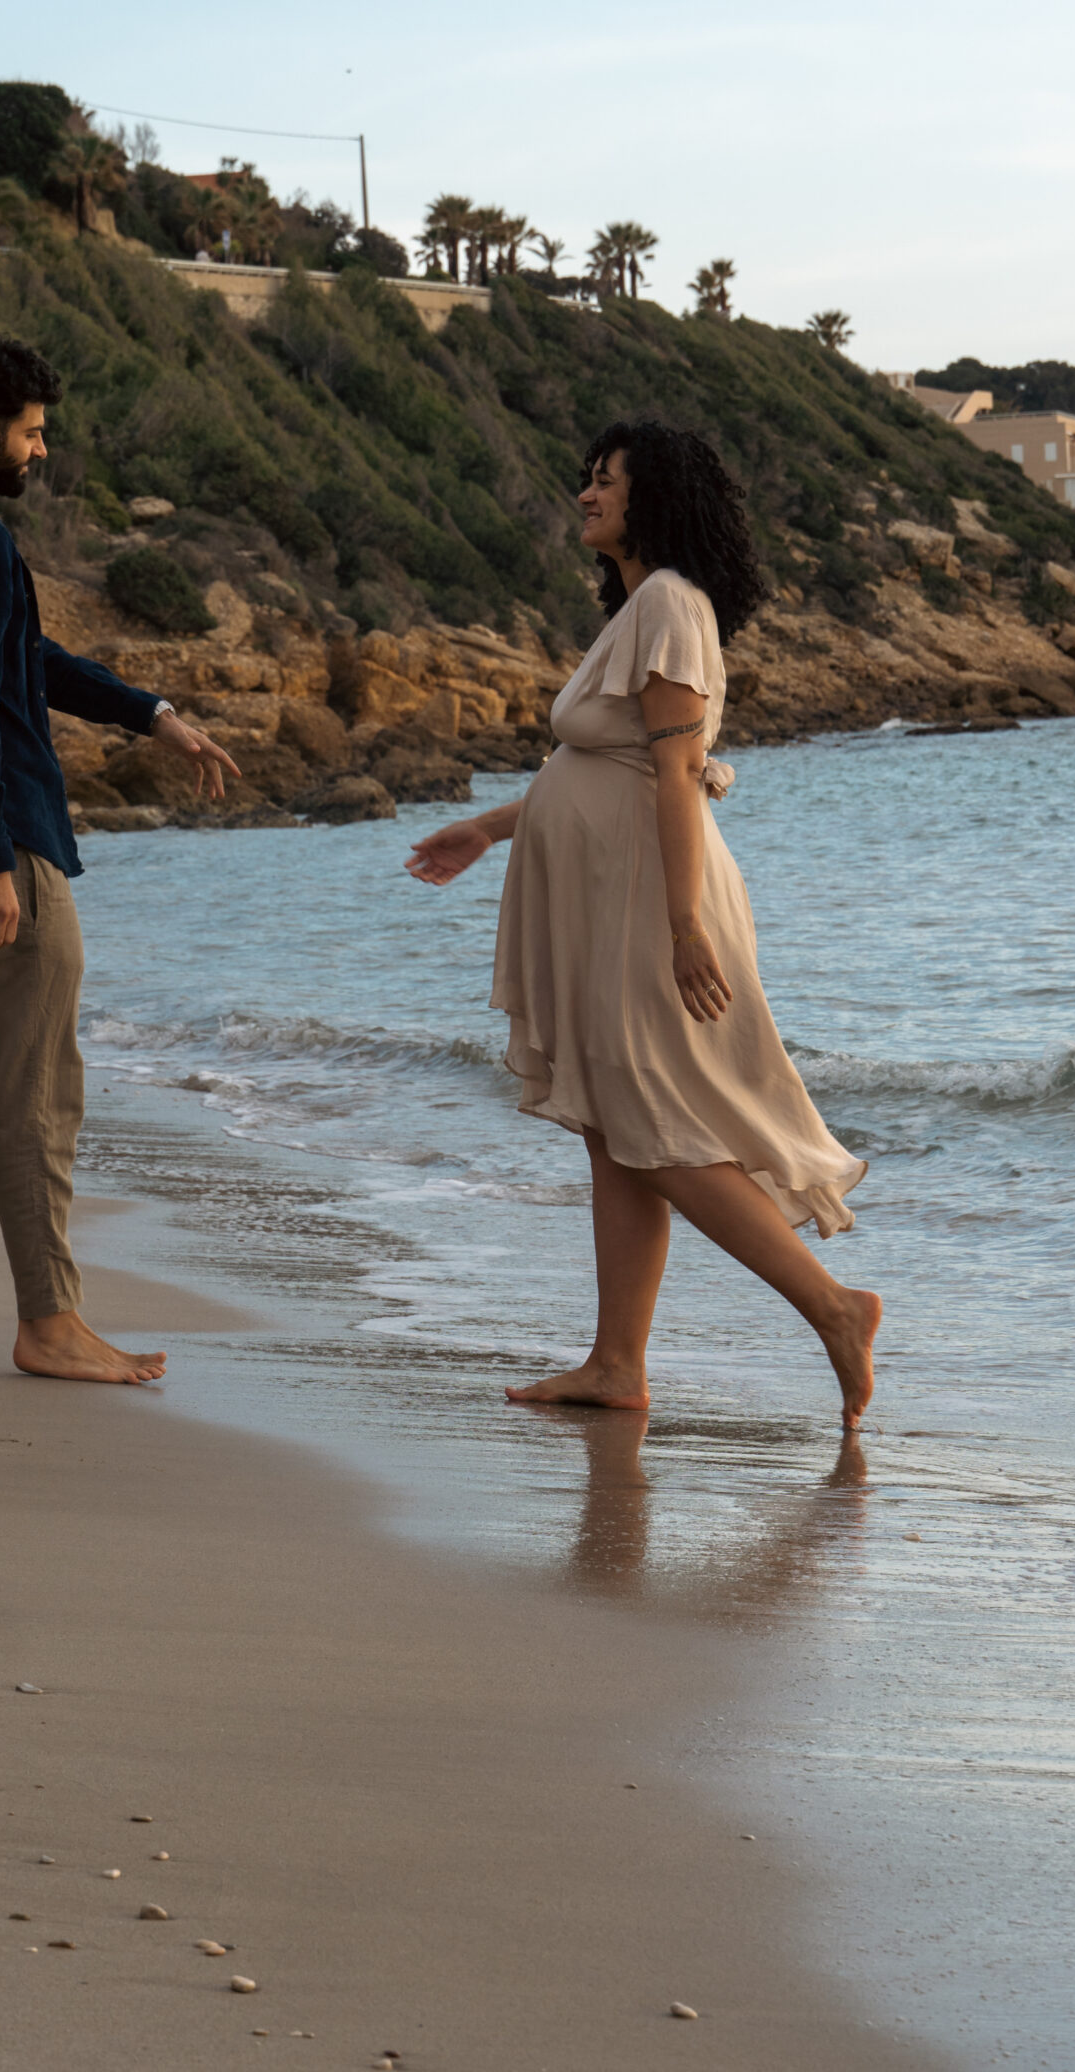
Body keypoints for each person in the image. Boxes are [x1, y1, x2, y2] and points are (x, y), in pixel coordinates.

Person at [405, 420, 881, 1428]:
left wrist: (680, 929)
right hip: (617, 892)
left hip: (648, 898)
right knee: (616, 1129)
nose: (586, 494)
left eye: (606, 482)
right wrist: (490, 831)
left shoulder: (666, 601)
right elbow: (610, 765)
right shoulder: (641, 608)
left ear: (651, 498)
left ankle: (834, 1309)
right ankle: (617, 1361)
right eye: (585, 478)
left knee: (659, 1126)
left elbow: (673, 774)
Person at [0, 332, 240, 1384]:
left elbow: (18, 659)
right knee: (36, 1094)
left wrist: (152, 715)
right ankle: (50, 1323)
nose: (41, 452)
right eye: (31, 434)